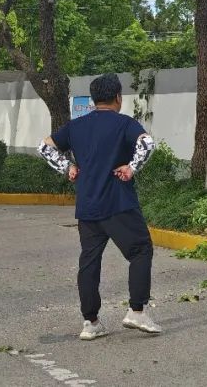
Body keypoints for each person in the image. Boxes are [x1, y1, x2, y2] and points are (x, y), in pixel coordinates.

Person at [38, 73, 160, 341]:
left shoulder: (76, 126)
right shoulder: (124, 123)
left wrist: (67, 167)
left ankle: (90, 322)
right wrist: (131, 168)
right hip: (118, 203)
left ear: (94, 99)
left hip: (88, 206)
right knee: (140, 250)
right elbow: (147, 143)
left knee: (89, 262)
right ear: (118, 97)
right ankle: (137, 310)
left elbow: (45, 147)